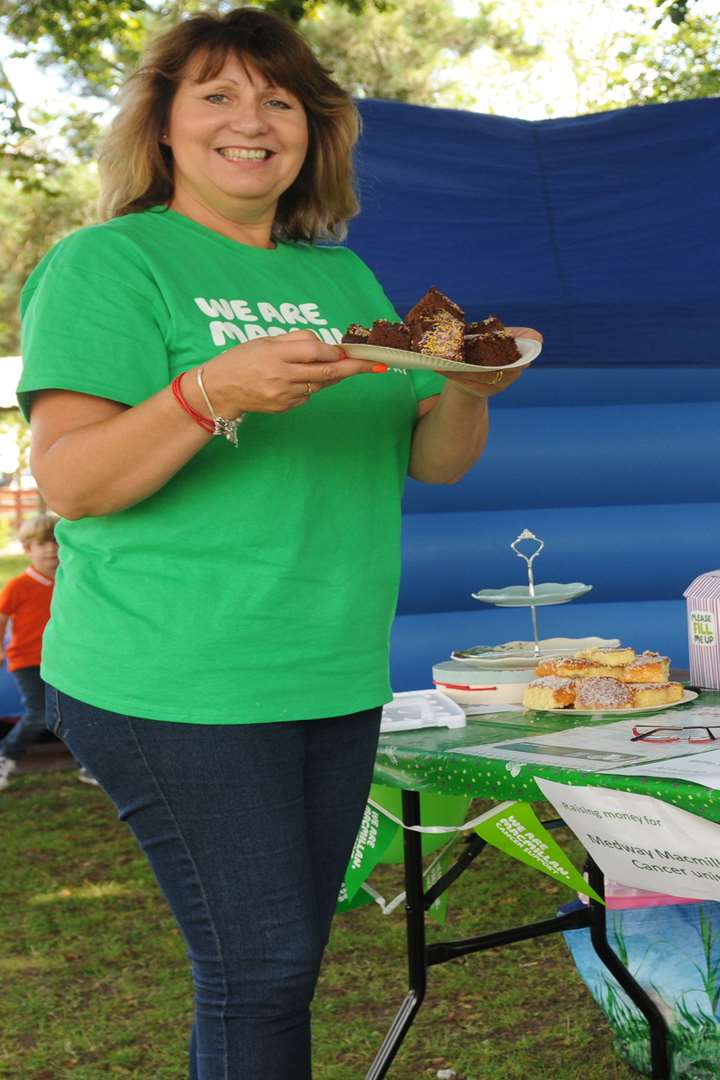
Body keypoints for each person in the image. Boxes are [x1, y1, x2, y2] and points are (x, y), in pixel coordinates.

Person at [17, 10, 529, 1076]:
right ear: (162, 124)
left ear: (313, 130)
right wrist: (208, 391)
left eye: (280, 99)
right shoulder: (109, 264)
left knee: (271, 966)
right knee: (260, 965)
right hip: (175, 674)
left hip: (328, 668)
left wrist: (470, 389)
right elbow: (73, 480)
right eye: (217, 94)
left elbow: (431, 461)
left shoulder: (343, 280)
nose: (252, 120)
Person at [0, 513, 83, 787]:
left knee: (74, 712)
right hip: (27, 661)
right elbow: (2, 618)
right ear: (27, 550)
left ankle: (87, 765)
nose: (51, 550)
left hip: (64, 661)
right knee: (39, 714)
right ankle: (5, 755)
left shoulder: (70, 581)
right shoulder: (18, 586)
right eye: (42, 544)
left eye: (56, 543)